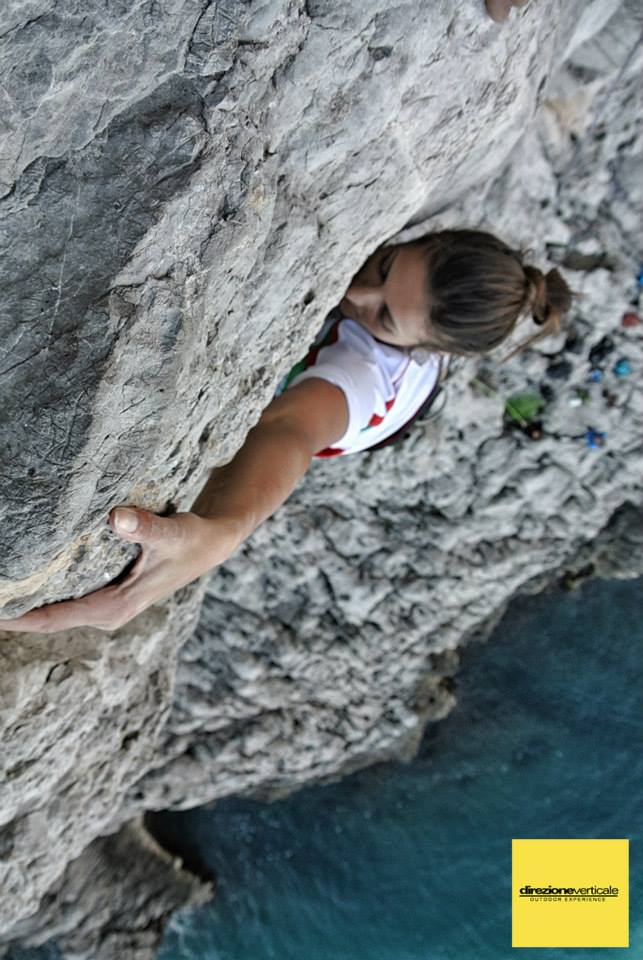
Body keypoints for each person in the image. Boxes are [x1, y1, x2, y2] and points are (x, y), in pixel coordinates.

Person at [0, 229, 572, 635]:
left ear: (422, 350)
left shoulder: (362, 376)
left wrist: (224, 531)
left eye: (385, 318)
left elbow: (292, 430)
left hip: (361, 422)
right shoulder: (429, 309)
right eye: (385, 265)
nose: (358, 294)